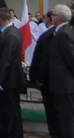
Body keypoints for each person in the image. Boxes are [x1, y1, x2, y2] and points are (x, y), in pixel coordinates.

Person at [48, 4, 74, 138]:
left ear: (59, 18)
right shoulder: (66, 31)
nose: (51, 17)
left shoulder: (62, 34)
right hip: (64, 83)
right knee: (67, 117)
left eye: (53, 15)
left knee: (67, 119)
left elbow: (72, 57)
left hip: (64, 83)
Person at [0, 8, 25, 138]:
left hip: (11, 77)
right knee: (6, 106)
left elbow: (6, 59)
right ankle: (5, 131)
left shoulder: (11, 34)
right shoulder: (11, 32)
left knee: (12, 107)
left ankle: (14, 133)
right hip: (9, 76)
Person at [29, 10, 58, 138]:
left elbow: (43, 58)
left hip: (49, 80)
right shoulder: (65, 32)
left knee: (53, 113)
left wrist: (37, 77)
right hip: (58, 80)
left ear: (49, 19)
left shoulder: (48, 35)